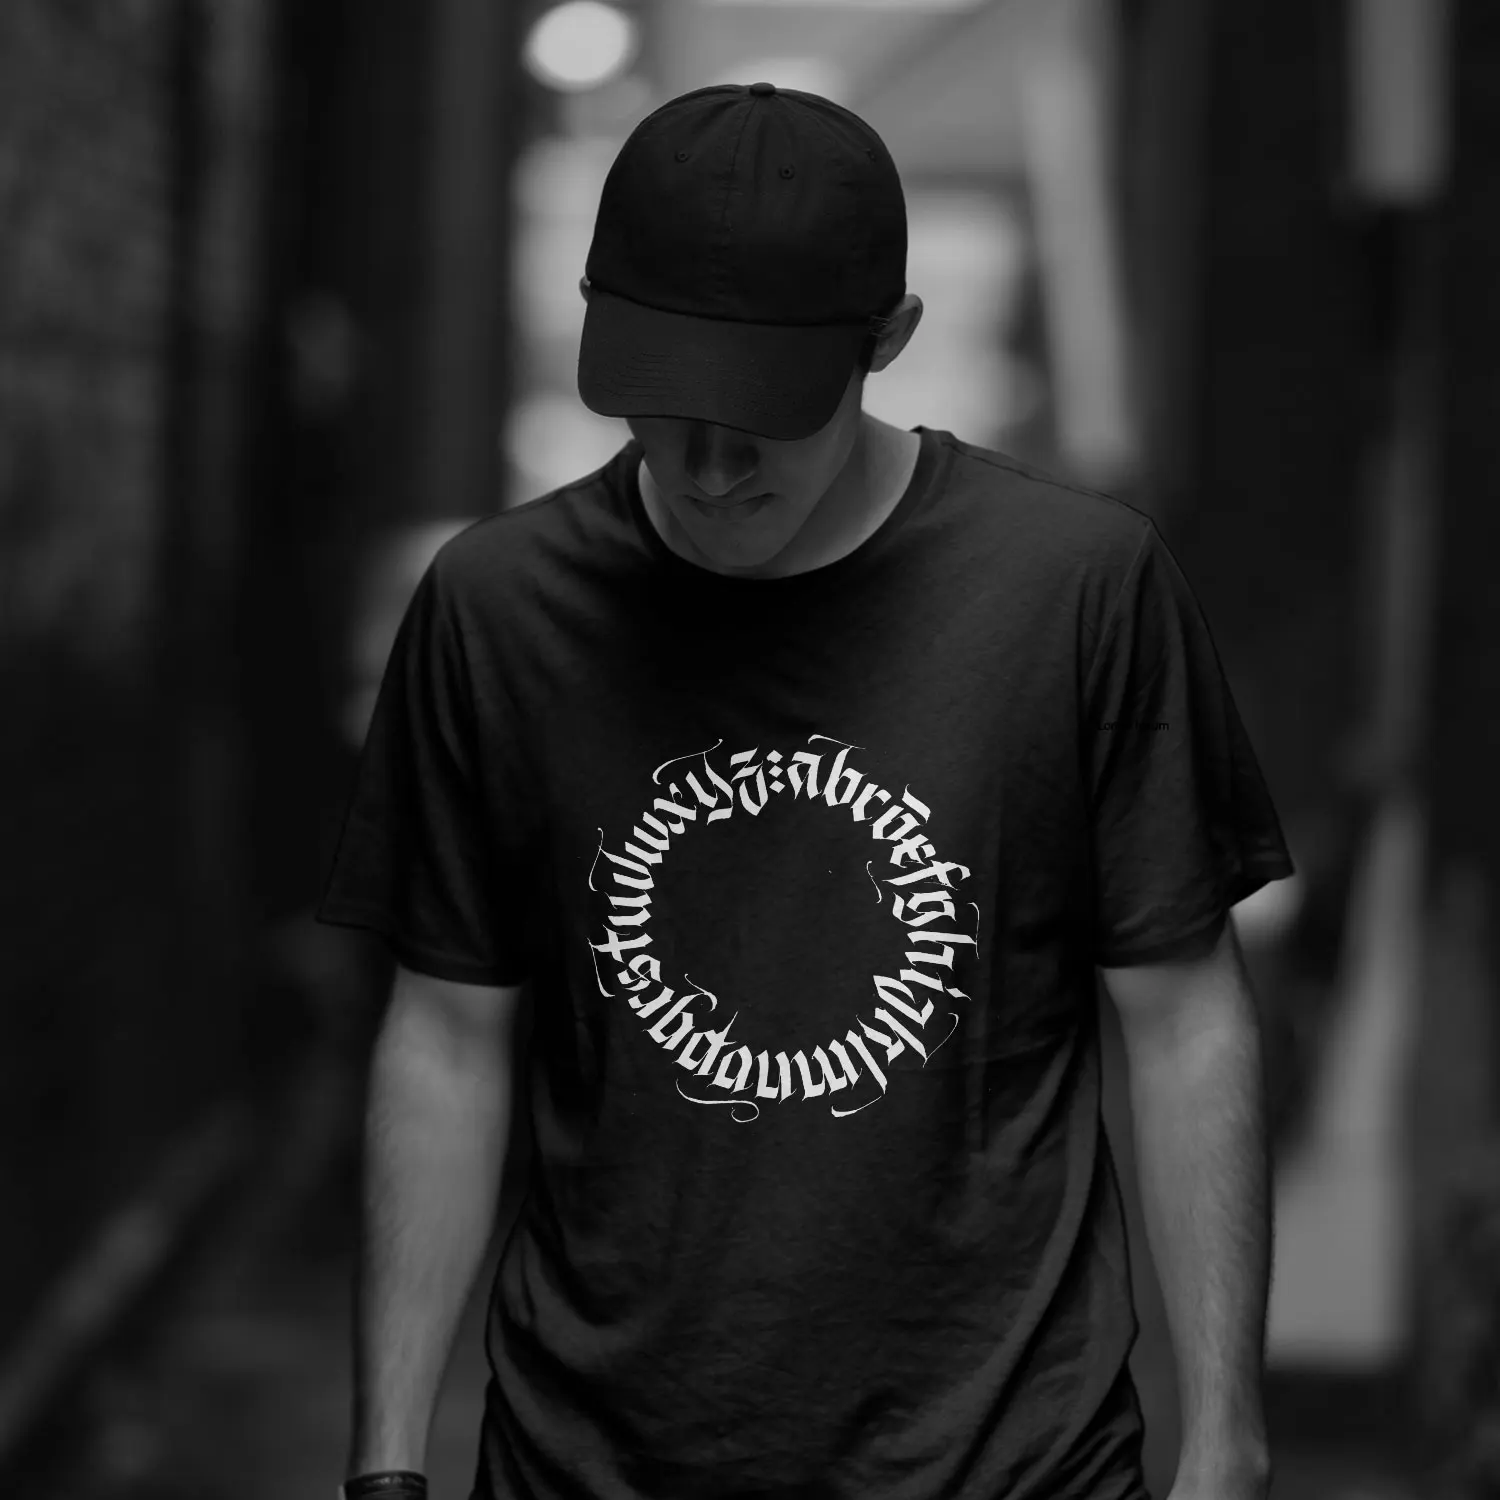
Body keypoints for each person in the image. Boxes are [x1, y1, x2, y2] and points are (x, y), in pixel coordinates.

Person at [317, 81, 1292, 1500]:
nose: (710, 467)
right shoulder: (499, 609)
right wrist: (386, 1465)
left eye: (766, 412)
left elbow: (1186, 1019)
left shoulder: (1076, 592)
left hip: (1007, 1461)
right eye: (666, 400)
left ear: (886, 341)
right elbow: (450, 1041)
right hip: (593, 1460)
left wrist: (1227, 1440)